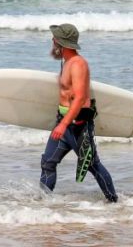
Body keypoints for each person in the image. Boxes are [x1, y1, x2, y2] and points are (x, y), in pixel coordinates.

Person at [40, 23, 118, 202]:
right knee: (48, 162)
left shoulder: (78, 65)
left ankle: (115, 204)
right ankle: (44, 204)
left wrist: (64, 123)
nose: (52, 40)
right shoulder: (66, 62)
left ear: (62, 43)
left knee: (92, 165)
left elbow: (81, 98)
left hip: (77, 126)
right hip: (64, 123)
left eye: (55, 38)